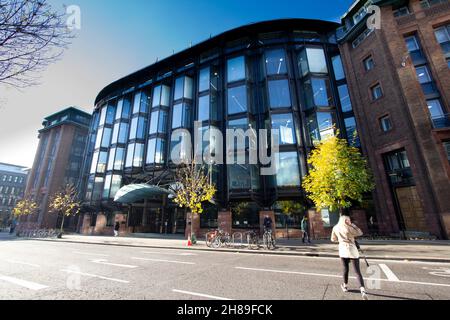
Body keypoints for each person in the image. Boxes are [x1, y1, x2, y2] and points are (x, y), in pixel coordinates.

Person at [331, 215, 368, 300]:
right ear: (346, 221)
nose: (349, 221)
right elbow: (360, 233)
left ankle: (345, 286)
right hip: (352, 249)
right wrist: (353, 225)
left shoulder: (335, 227)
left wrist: (341, 240)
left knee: (345, 268)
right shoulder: (349, 227)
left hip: (343, 249)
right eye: (348, 220)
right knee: (357, 271)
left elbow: (333, 239)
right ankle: (362, 290)